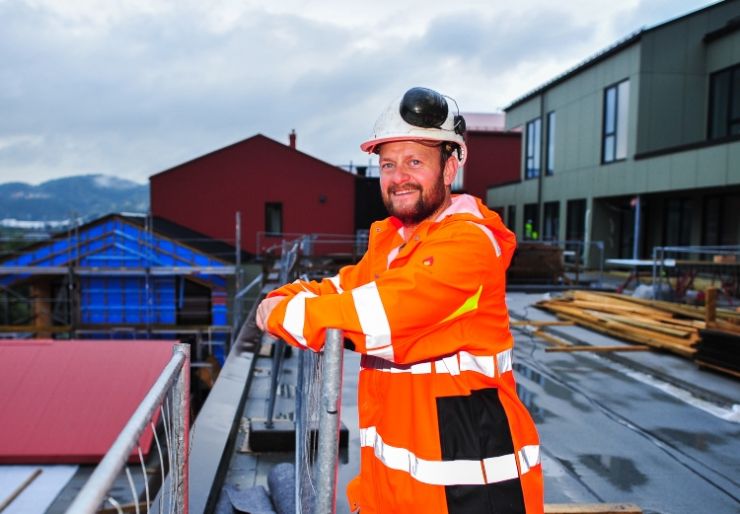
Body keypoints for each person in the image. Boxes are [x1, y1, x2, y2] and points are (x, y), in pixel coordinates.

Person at [256, 87, 544, 513]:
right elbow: (341, 289)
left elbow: (378, 318)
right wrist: (289, 294)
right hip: (396, 490)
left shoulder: (469, 245)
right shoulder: (393, 243)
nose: (398, 176)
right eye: (388, 164)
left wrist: (283, 311)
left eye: (414, 162)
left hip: (467, 489)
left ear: (449, 168)